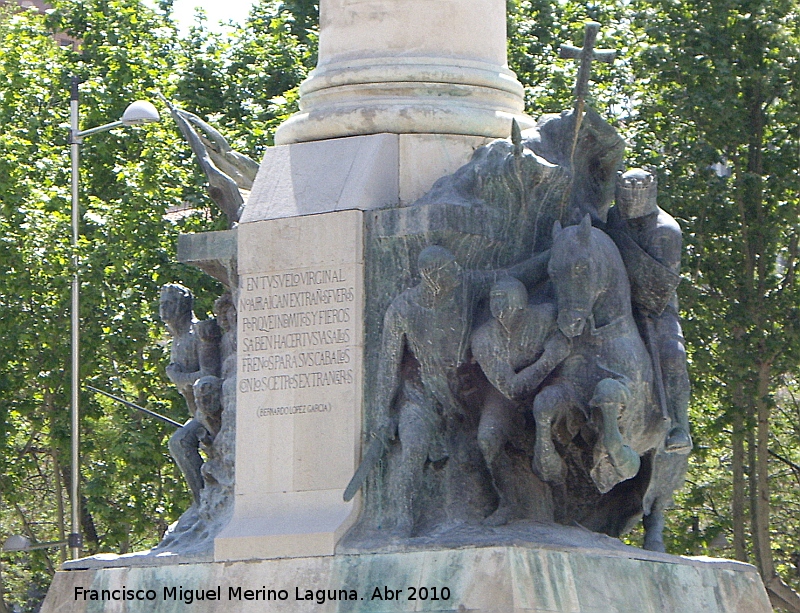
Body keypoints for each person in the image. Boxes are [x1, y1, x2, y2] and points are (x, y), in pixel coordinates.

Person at [370, 245, 550, 535]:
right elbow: (388, 366)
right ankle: (403, 518)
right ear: (431, 277)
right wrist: (382, 414)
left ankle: (508, 504)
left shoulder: (466, 285)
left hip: (467, 394)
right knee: (414, 445)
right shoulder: (402, 310)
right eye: (449, 269)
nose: (457, 271)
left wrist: (551, 253)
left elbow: (513, 274)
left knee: (485, 443)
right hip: (423, 393)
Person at [471, 278, 570, 525]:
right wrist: (548, 360)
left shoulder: (547, 316)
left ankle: (566, 501)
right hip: (505, 394)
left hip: (552, 383)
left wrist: (559, 351)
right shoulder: (483, 338)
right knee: (487, 438)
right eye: (494, 297)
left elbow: (572, 340)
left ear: (521, 301)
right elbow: (510, 388)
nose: (497, 304)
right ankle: (507, 501)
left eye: (504, 297)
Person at [606, 168, 692, 453]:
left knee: (673, 355)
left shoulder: (666, 231)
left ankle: (679, 425)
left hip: (655, 308)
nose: (628, 204)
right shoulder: (614, 217)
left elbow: (658, 286)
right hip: (613, 298)